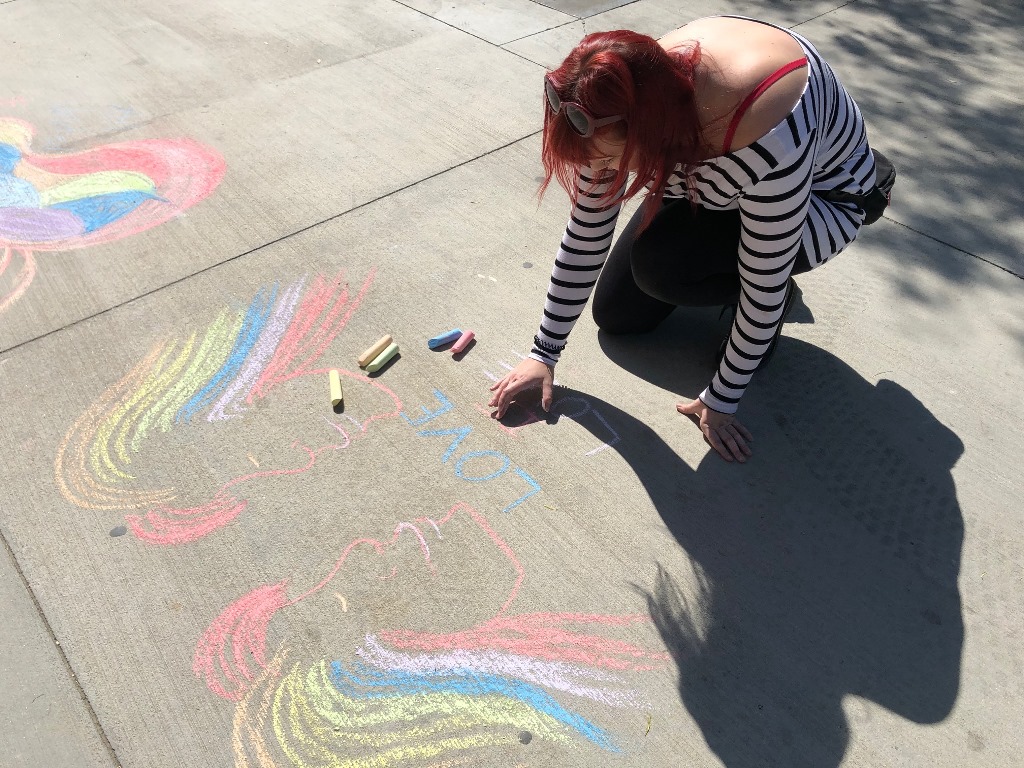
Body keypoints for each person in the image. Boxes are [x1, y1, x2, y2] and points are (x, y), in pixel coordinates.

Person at [488, 15, 878, 463]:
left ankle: (779, 298)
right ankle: (712, 227)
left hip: (820, 200)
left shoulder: (768, 129)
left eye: (613, 161)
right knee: (618, 316)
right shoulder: (613, 97)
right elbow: (587, 229)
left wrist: (723, 396)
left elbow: (763, 281)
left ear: (647, 133)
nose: (606, 174)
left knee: (665, 268)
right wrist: (544, 352)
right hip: (706, 172)